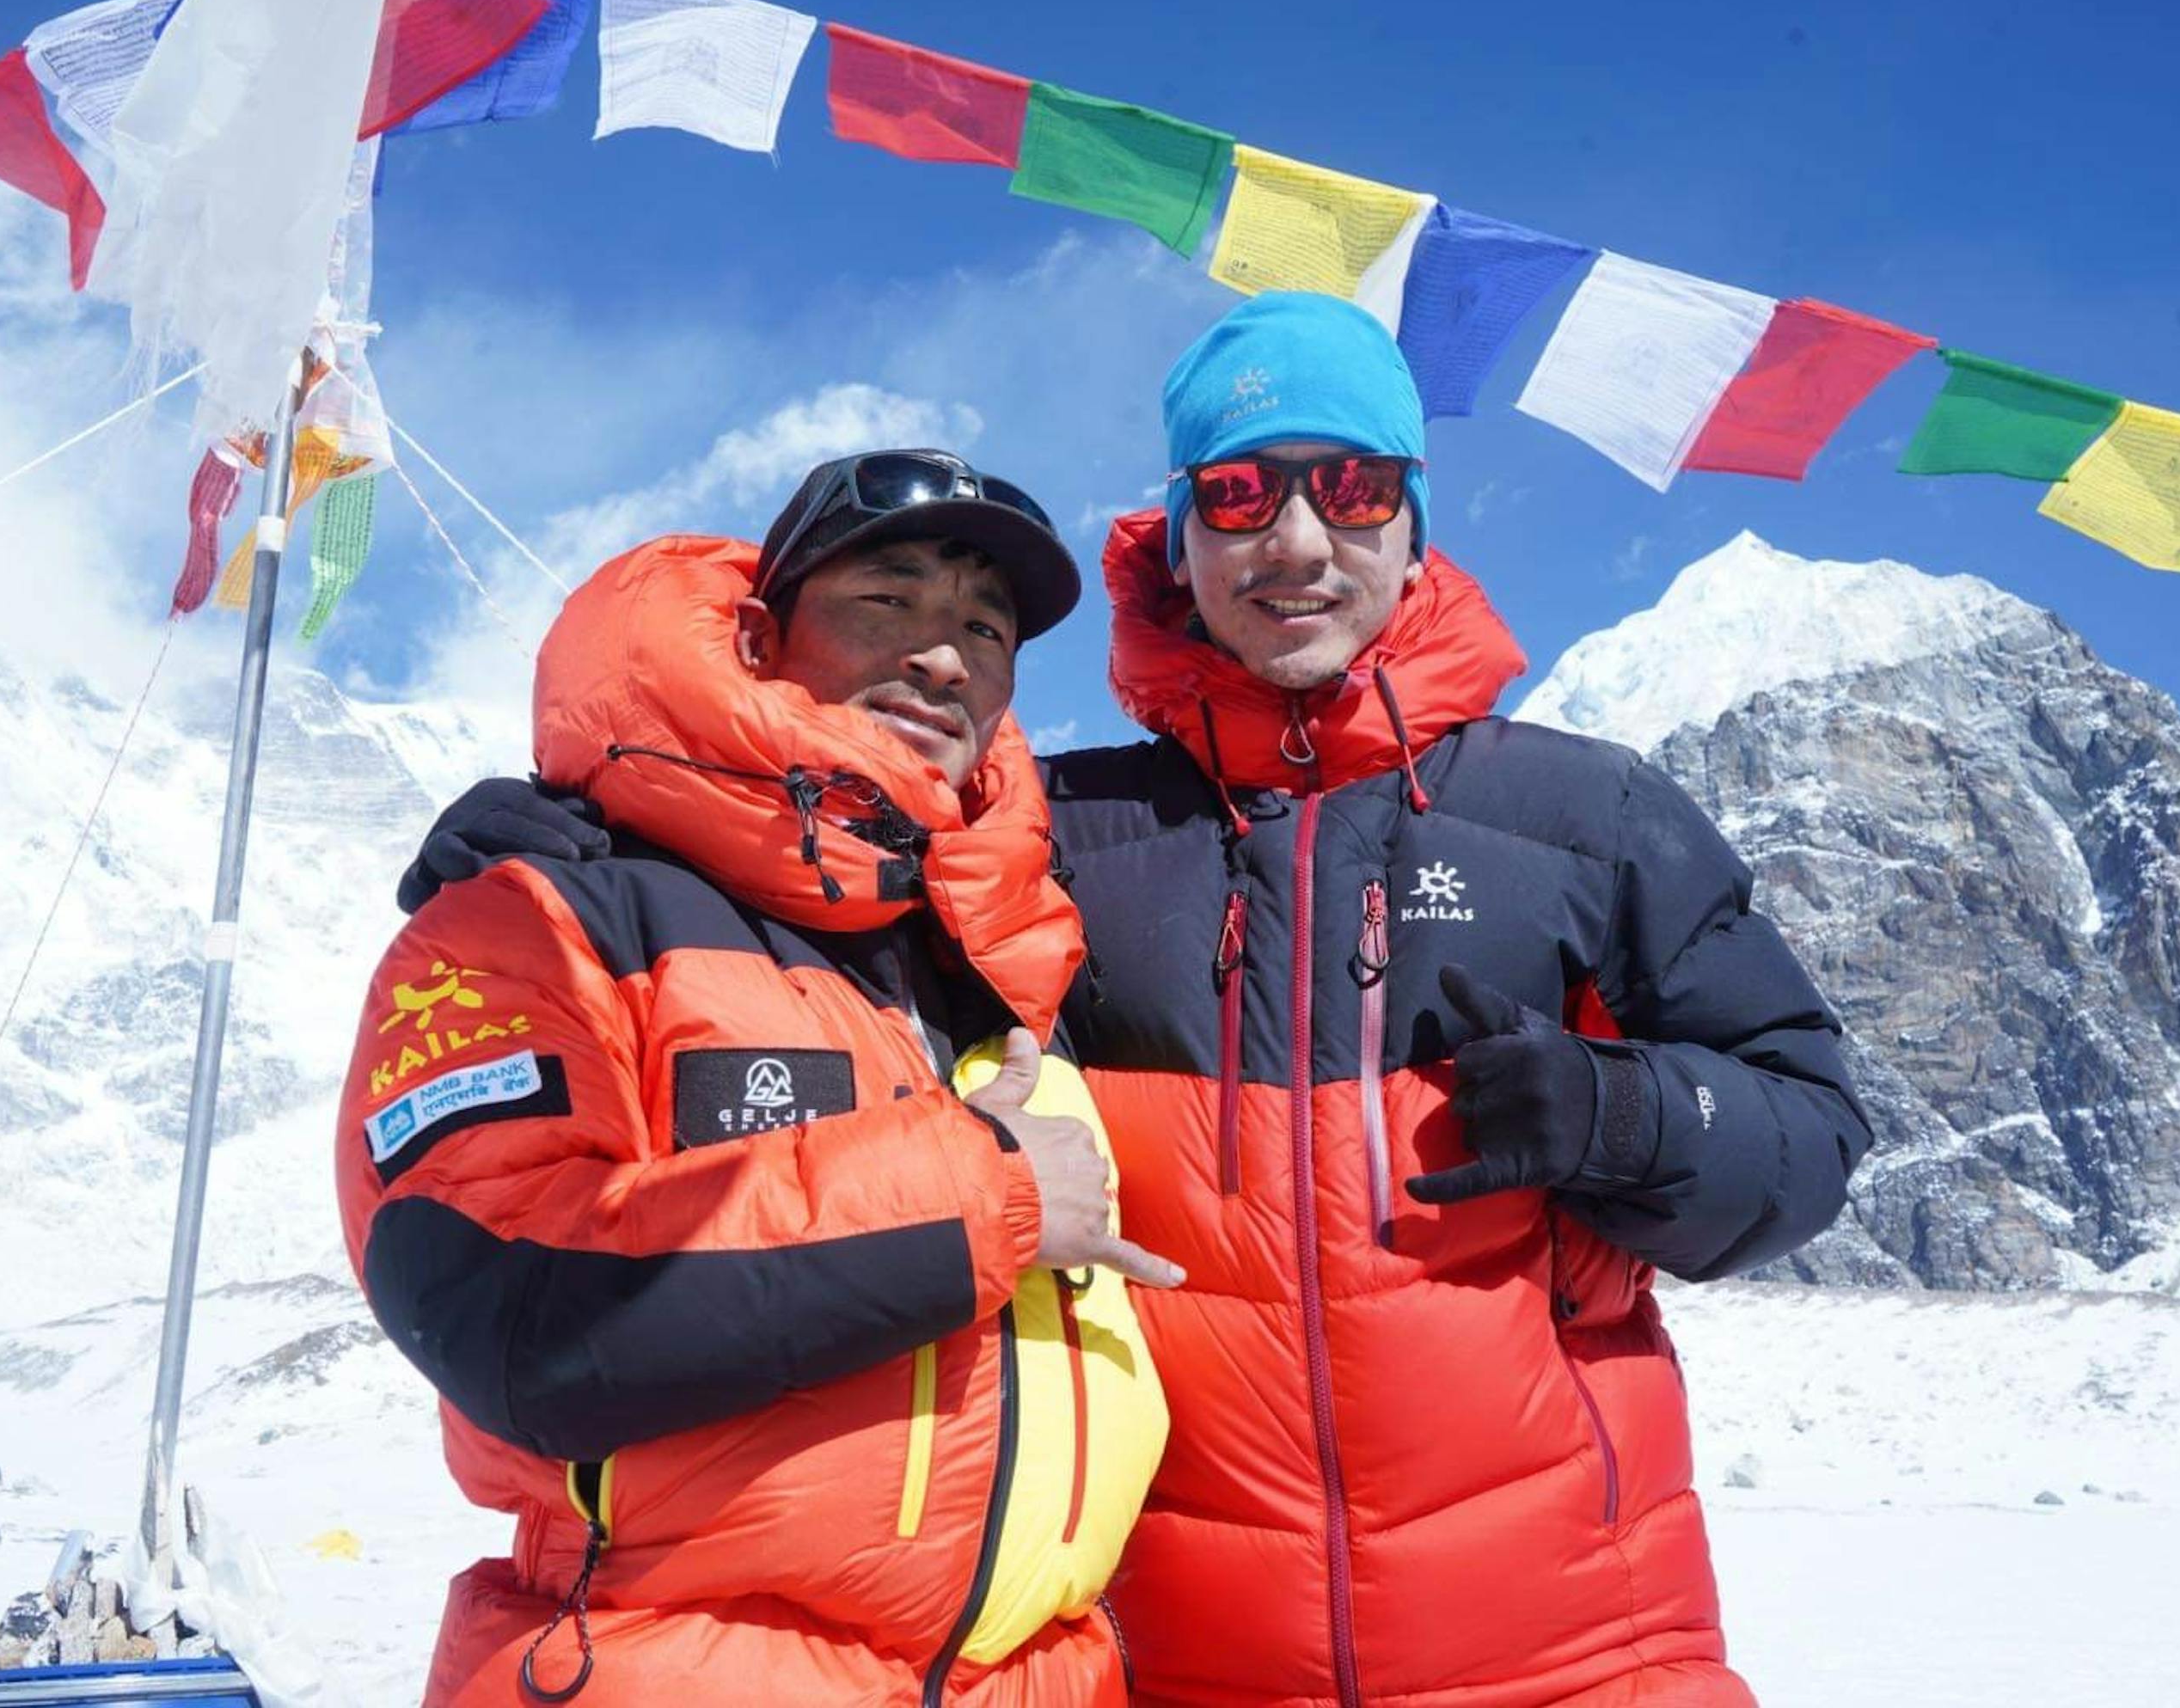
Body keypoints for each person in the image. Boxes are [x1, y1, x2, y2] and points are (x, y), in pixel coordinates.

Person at [412, 296, 1875, 1705]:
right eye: (1239, 494)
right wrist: (591, 822)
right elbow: (801, 863)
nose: (1297, 539)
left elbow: (1805, 1129)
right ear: (1176, 540)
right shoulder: (1061, 845)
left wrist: (1629, 1116)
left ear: (1412, 520)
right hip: (1175, 1666)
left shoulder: (1585, 817)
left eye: (1351, 486)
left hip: (1579, 1652)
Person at [336, 450, 1178, 1707]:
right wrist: (982, 1193)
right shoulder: (550, 915)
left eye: (982, 629)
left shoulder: (1005, 960)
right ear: (760, 634)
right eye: (885, 604)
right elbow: (503, 1313)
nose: (942, 659)